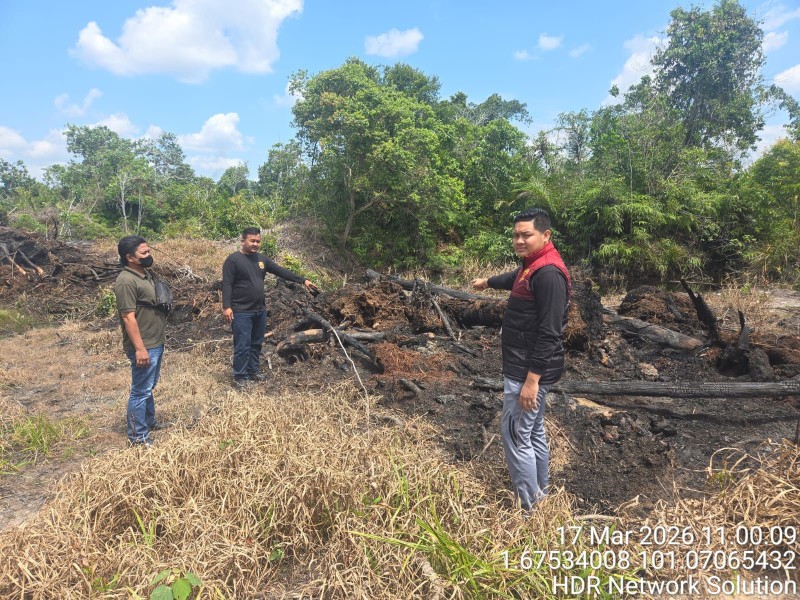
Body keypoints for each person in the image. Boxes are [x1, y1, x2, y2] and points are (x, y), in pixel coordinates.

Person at [471, 208, 570, 510]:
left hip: (528, 369)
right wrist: (487, 282)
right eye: (516, 234)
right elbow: (514, 277)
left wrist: (532, 381)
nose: (519, 240)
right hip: (526, 364)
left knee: (515, 435)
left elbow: (550, 332)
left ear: (545, 235)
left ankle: (530, 509)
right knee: (532, 429)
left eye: (526, 234)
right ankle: (541, 493)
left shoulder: (549, 274)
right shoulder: (532, 265)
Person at [222, 227, 319, 389]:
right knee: (242, 344)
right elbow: (227, 284)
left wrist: (303, 280)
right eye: (252, 241)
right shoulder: (233, 260)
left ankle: (253, 371)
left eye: (258, 241)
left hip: (259, 310)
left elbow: (281, 271)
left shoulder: (262, 260)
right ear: (243, 241)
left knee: (256, 343)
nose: (255, 244)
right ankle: (240, 377)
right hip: (241, 311)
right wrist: (226, 306)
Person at [113, 235, 168, 446]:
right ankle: (138, 437)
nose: (148, 256)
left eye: (148, 251)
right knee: (140, 390)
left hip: (155, 340)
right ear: (129, 257)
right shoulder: (126, 281)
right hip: (144, 344)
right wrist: (139, 349)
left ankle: (149, 421)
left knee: (149, 386)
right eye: (143, 253)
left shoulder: (144, 274)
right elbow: (128, 317)